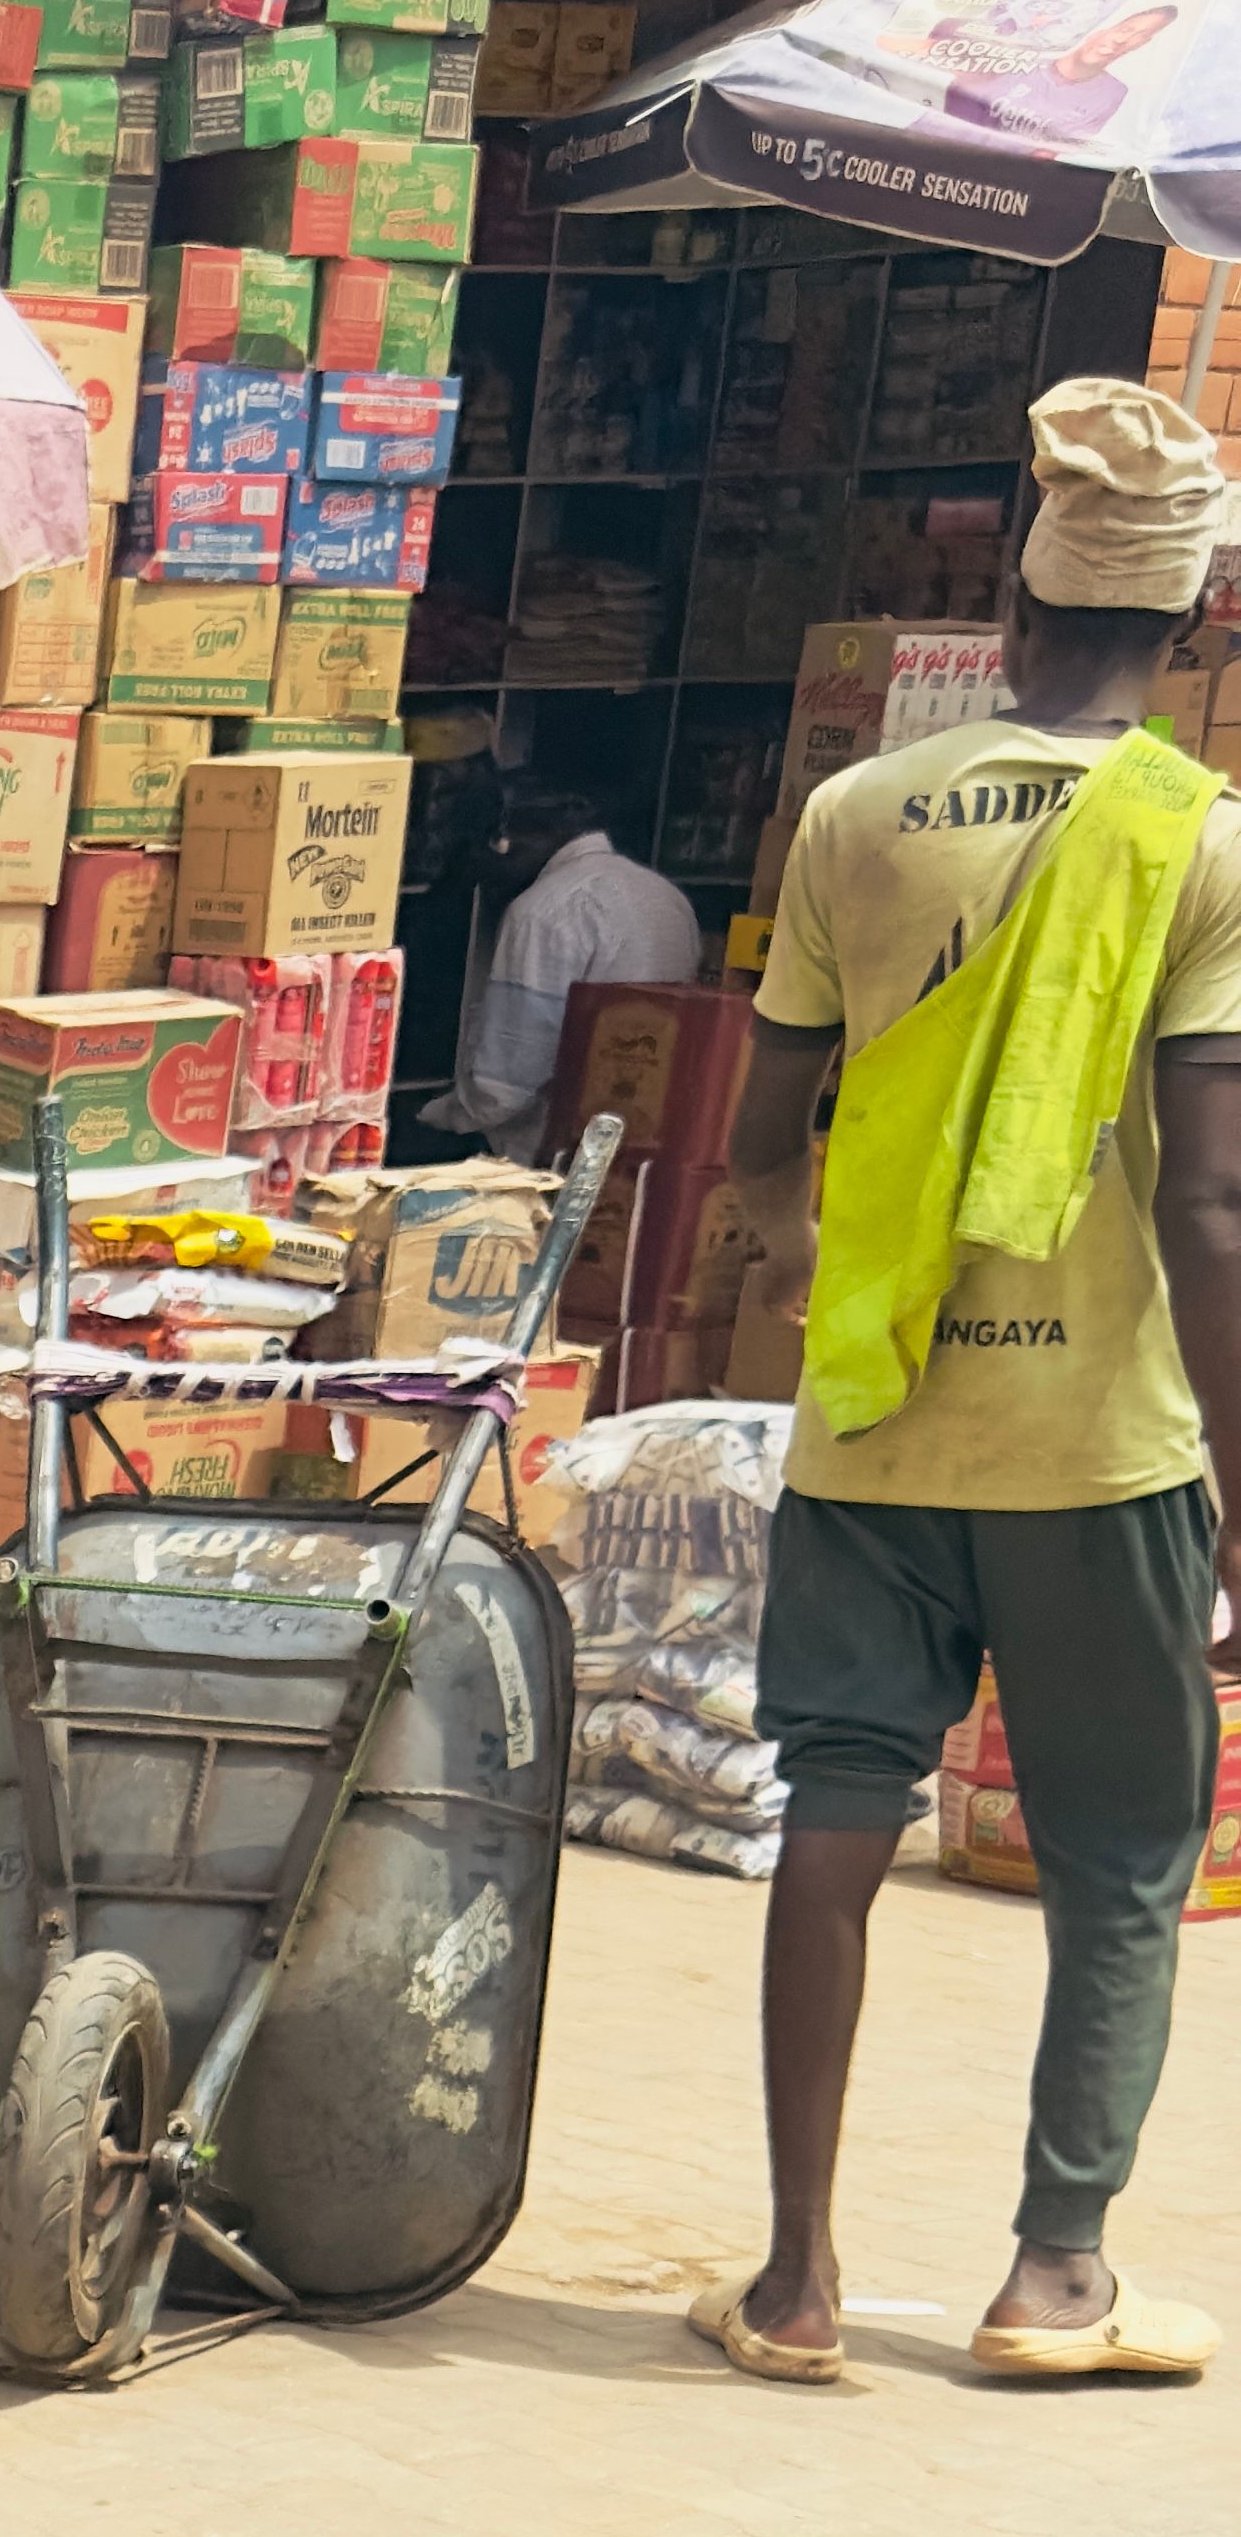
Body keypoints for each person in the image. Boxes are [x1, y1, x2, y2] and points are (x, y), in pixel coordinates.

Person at [699, 376, 1241, 2395]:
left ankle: (797, 2282)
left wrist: (800, 1263)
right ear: (1185, 632)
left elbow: (765, 1134)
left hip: (878, 1414)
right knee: (1119, 1858)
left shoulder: (858, 817)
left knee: (839, 1812)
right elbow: (1213, 1207)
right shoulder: (1203, 843)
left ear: (1010, 610)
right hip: (1102, 1445)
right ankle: (1056, 2277)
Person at [434, 766, 706, 1158]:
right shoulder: (664, 895)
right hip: (644, 1134)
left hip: (552, 1154)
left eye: (483, 850)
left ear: (508, 838)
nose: (483, 872)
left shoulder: (541, 912)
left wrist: (439, 1116)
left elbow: (506, 1084)